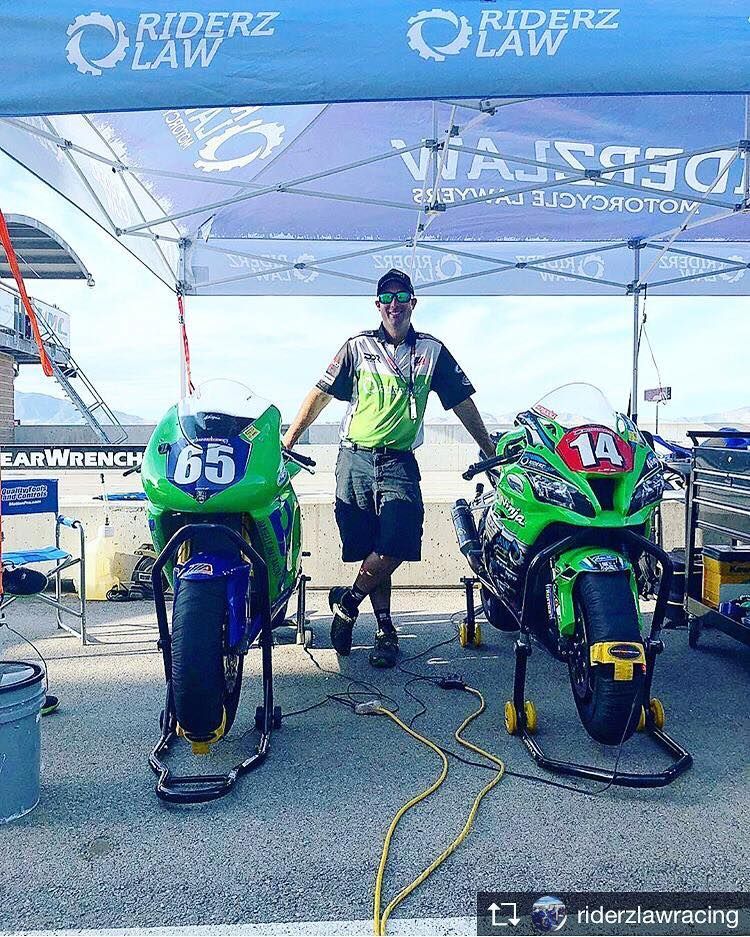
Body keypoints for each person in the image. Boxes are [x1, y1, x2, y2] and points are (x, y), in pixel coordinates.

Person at [283, 269, 495, 668]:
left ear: (413, 303)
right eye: (386, 297)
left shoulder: (432, 351)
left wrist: (489, 451)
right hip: (354, 459)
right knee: (370, 547)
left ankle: (347, 603)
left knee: (396, 541)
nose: (394, 304)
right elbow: (321, 394)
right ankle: (385, 629)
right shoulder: (356, 347)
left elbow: (462, 401)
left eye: (402, 297)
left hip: (399, 461)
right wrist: (289, 440)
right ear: (377, 305)